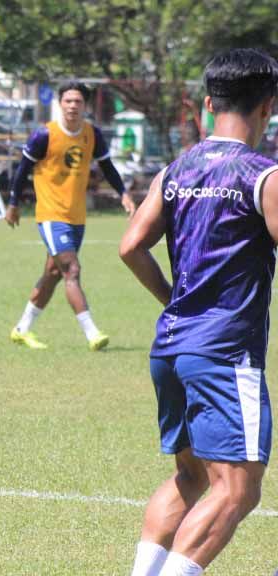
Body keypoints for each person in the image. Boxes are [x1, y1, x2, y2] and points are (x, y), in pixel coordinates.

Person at [120, 48, 277, 576]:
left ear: (209, 103)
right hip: (225, 352)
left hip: (170, 344)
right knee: (236, 490)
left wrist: (173, 300)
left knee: (191, 479)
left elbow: (130, 246)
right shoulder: (264, 175)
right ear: (268, 108)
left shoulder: (177, 168)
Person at [5, 81, 135, 350]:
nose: (73, 106)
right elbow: (22, 171)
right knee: (71, 269)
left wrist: (123, 193)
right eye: (68, 101)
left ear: (85, 106)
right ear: (60, 104)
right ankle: (92, 334)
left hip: (77, 217)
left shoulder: (92, 134)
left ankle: (22, 329)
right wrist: (13, 203)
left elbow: (107, 166)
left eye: (78, 101)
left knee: (53, 272)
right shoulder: (44, 135)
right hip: (51, 214)